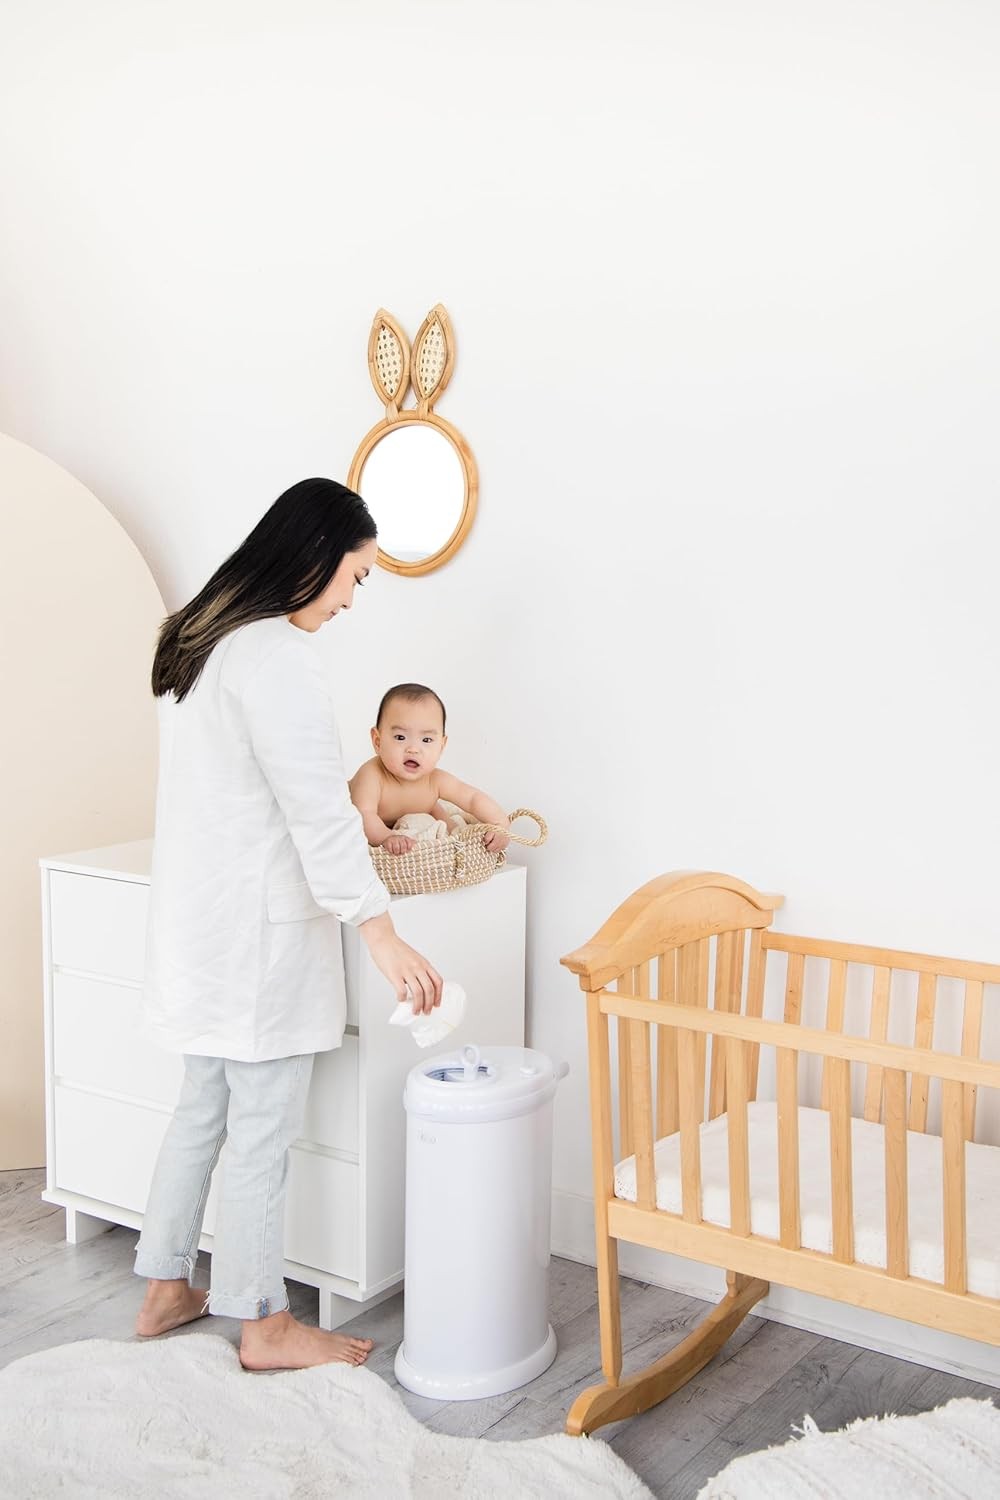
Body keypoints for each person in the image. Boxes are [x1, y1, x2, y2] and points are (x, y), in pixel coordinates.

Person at [133, 478, 442, 1371]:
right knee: (262, 1126)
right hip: (256, 937)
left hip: (201, 925)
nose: (350, 600)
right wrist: (378, 929)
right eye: (356, 576)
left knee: (202, 1108)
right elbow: (318, 812)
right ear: (314, 557)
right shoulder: (278, 657)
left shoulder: (202, 641)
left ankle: (164, 1288)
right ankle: (263, 1324)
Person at [349, 683, 511, 855]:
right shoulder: (371, 775)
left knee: (439, 814)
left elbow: (472, 798)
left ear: (441, 746)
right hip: (374, 826)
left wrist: (500, 824)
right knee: (432, 808)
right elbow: (363, 815)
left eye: (426, 740)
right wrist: (387, 837)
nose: (413, 749)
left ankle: (451, 829)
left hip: (419, 810)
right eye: (400, 737)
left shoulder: (435, 780)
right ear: (378, 741)